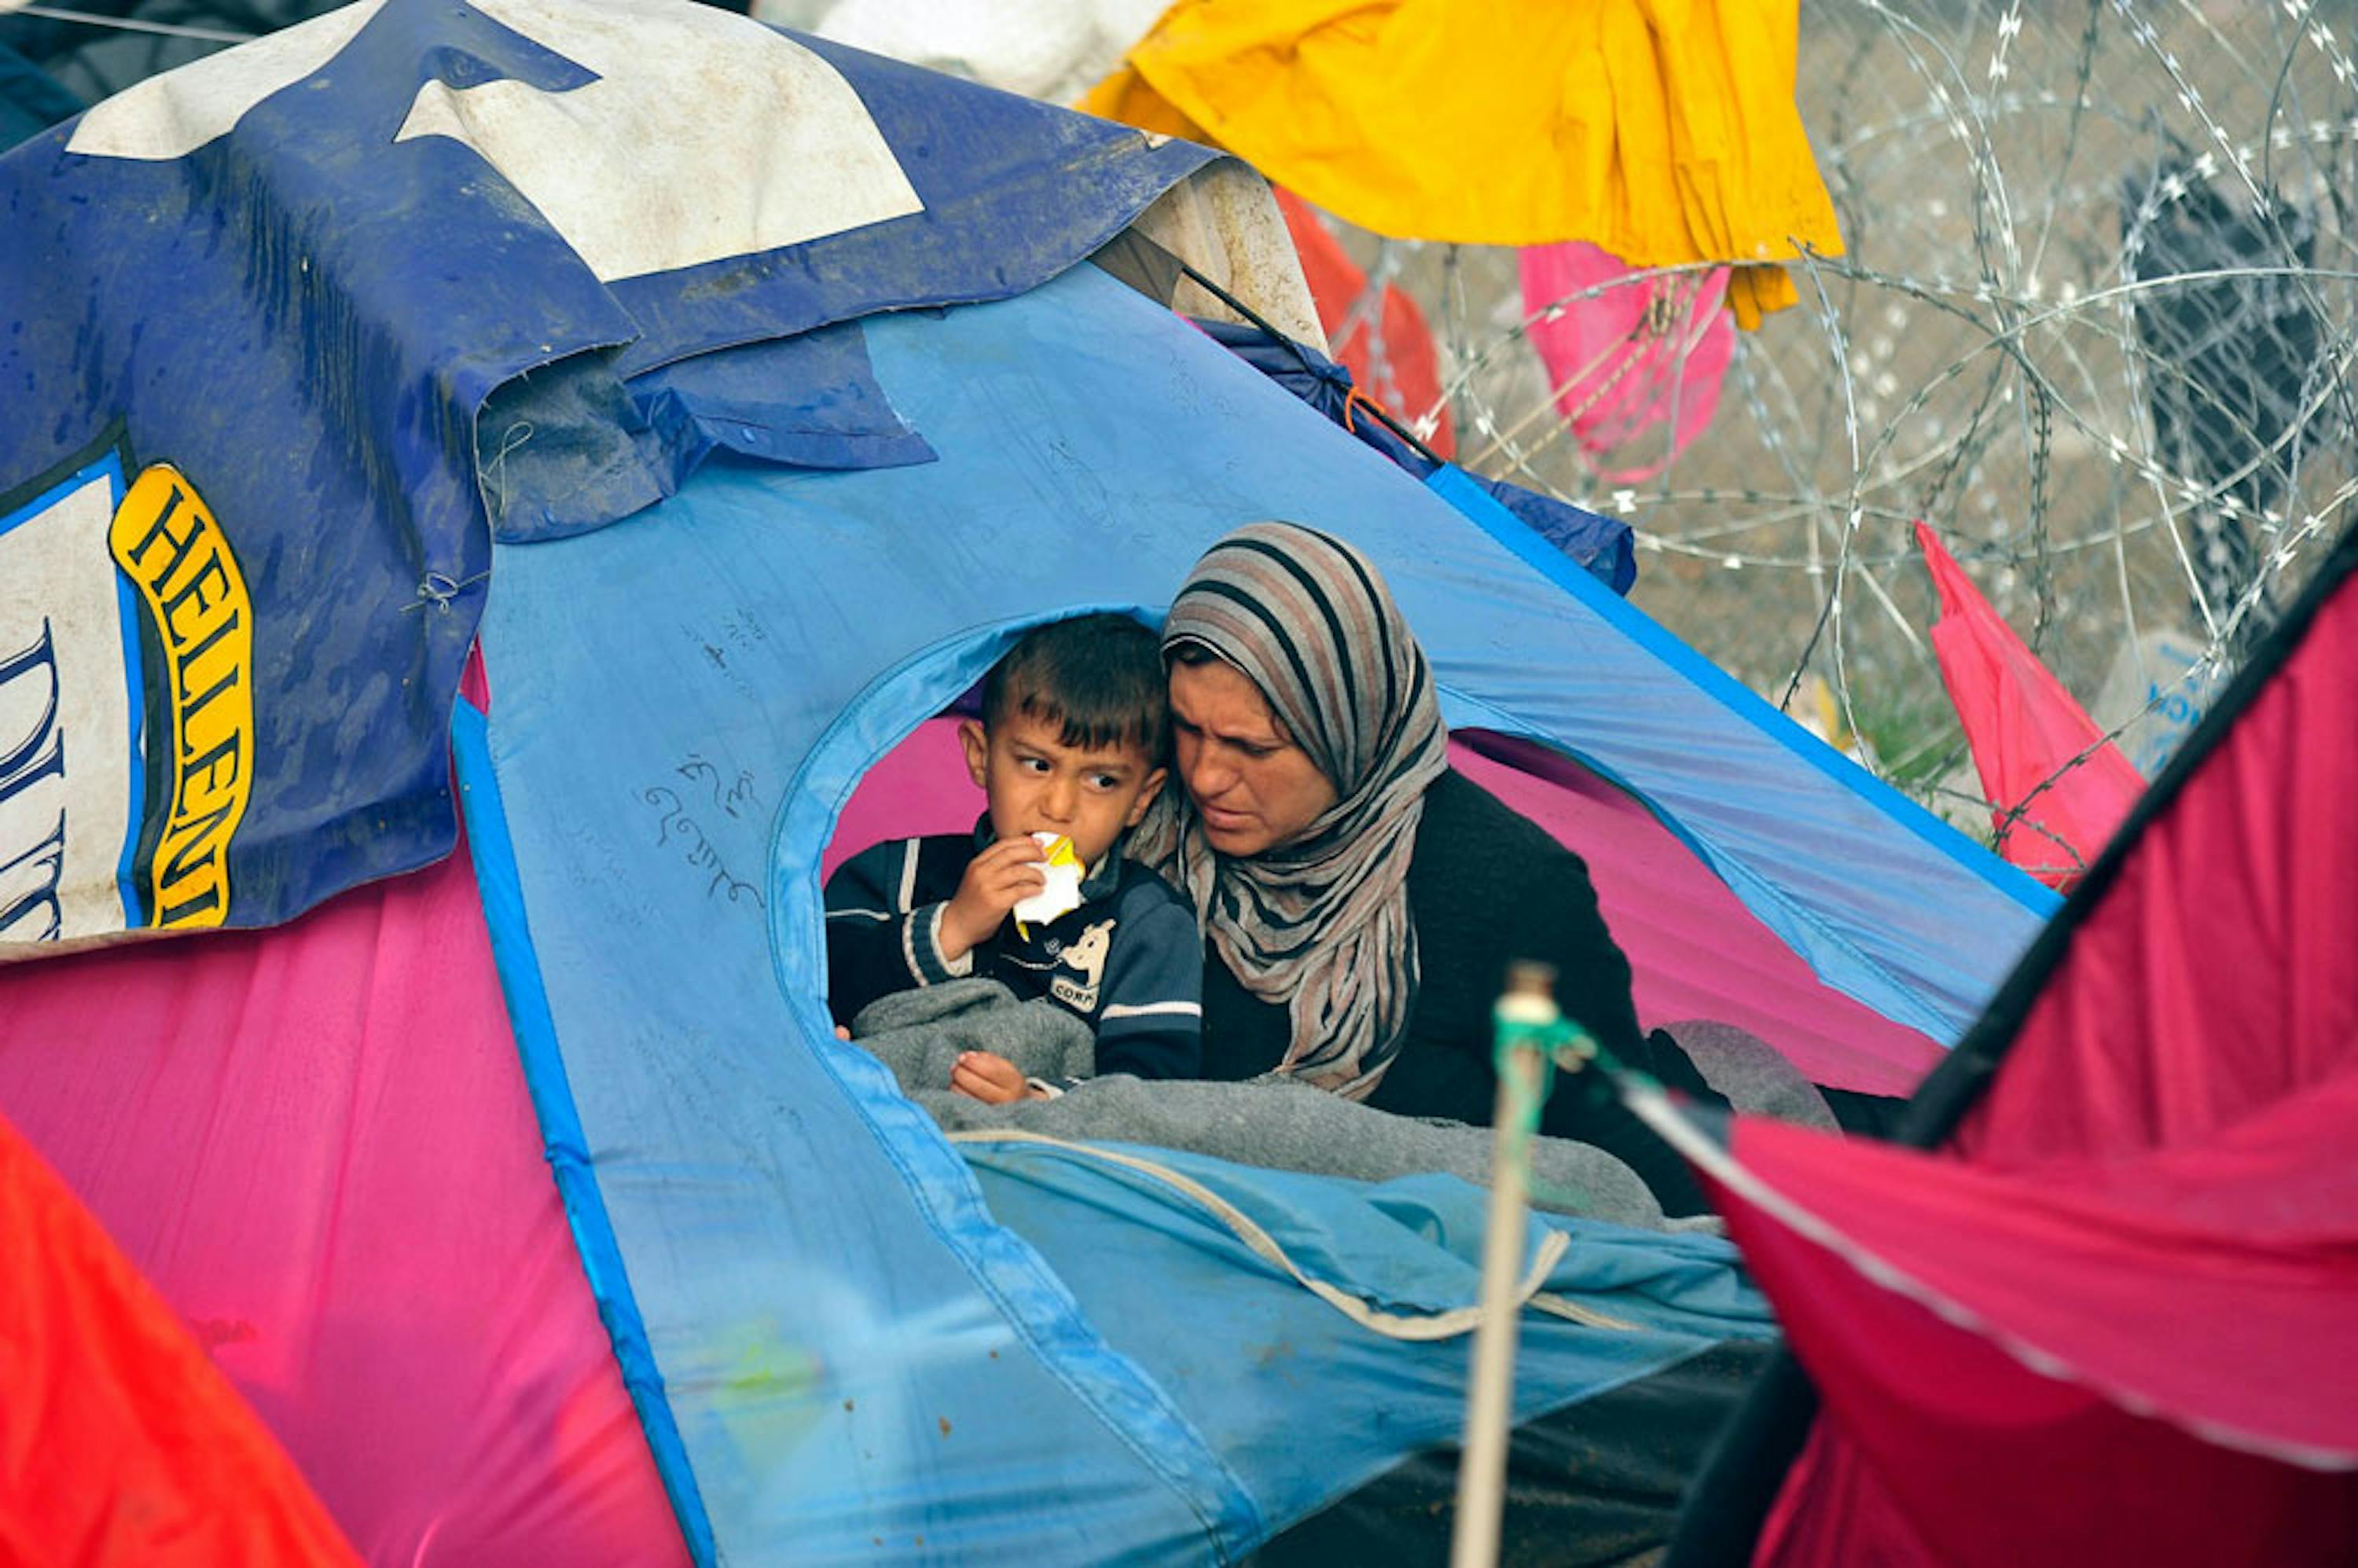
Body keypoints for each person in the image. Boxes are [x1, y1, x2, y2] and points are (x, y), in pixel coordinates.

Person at [1130, 520, 1721, 1214]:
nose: (1204, 775)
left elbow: (1619, 1156)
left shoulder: (1510, 892)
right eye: (1187, 727)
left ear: (1347, 727)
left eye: (1252, 747)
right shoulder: (1138, 814)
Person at [825, 614, 1201, 1103]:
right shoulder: (895, 871)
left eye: (1102, 780)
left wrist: (1036, 1101)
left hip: (1025, 1153)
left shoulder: (1148, 922)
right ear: (981, 756)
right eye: (1037, 765)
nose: (1059, 807)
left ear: (1141, 799)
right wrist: (950, 929)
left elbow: (1158, 1088)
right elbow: (811, 991)